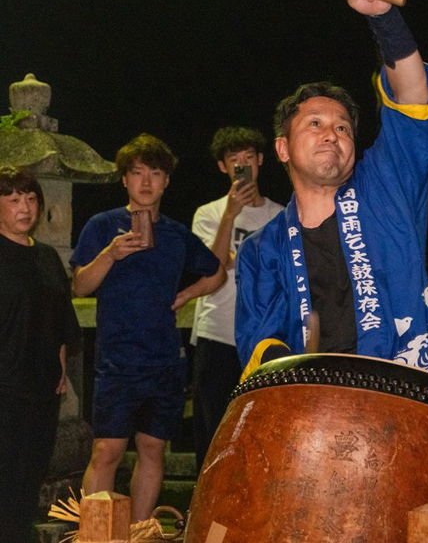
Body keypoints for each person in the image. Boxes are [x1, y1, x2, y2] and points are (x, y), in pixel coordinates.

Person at [235, 0, 428, 375]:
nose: (332, 133)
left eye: (343, 127)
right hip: (313, 406)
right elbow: (260, 342)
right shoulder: (262, 249)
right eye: (314, 123)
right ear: (281, 148)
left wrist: (384, 18)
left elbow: (415, 98)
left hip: (403, 393)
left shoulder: (386, 185)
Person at [72, 134, 224, 521]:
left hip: (164, 358)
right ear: (124, 179)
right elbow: (80, 285)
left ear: (166, 181)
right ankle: (95, 531)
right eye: (137, 173)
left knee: (152, 448)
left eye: (155, 173)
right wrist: (110, 253)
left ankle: (140, 530)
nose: (145, 182)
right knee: (106, 450)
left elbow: (217, 272)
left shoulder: (176, 234)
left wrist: (188, 294)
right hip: (117, 358)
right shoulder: (102, 225)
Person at [189, 126, 283, 470]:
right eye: (234, 160)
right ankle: (203, 513)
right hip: (216, 333)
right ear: (223, 167)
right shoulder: (209, 214)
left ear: (260, 161)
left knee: (259, 428)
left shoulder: (279, 215)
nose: (242, 165)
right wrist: (230, 214)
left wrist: (235, 259)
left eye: (248, 158)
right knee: (212, 427)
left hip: (263, 338)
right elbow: (213, 268)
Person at [0, 166, 80, 543]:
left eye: (31, 199)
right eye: (13, 199)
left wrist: (61, 366)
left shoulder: (47, 256)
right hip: (4, 386)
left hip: (41, 388)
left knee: (29, 476)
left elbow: (62, 317)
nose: (24, 208)